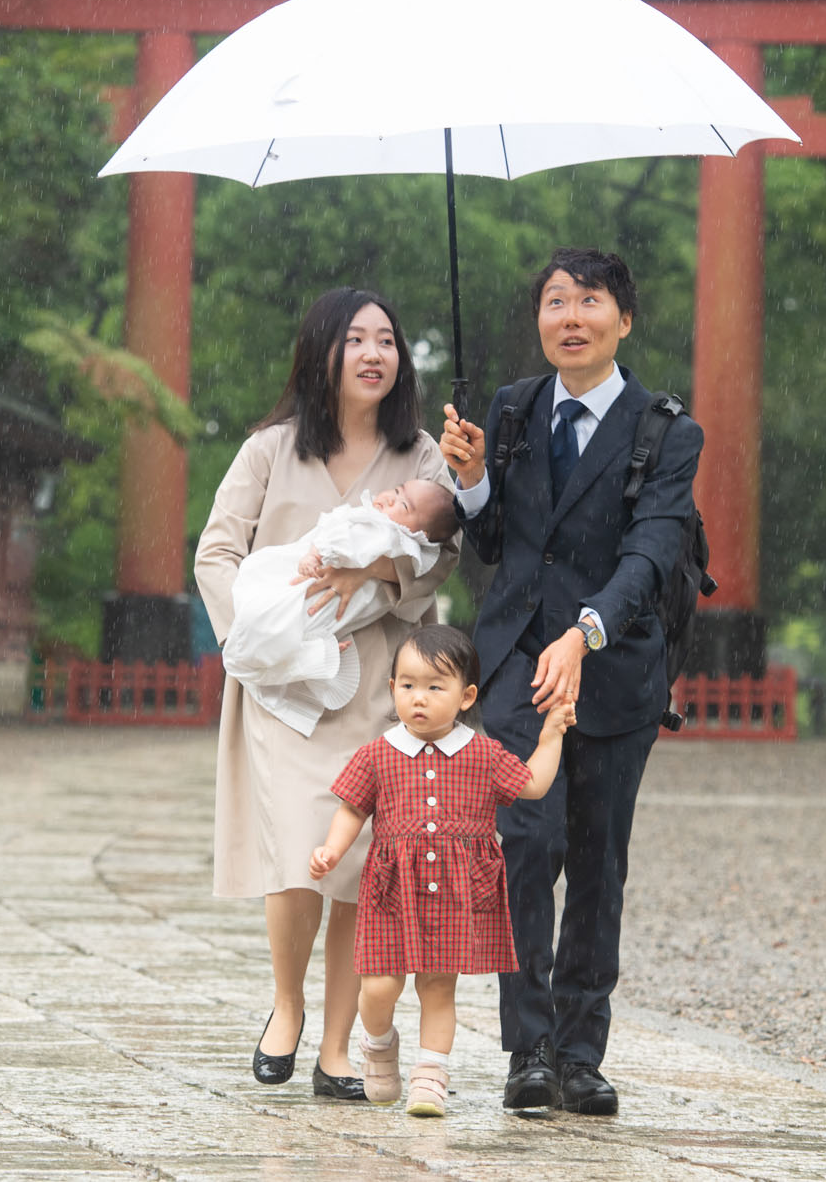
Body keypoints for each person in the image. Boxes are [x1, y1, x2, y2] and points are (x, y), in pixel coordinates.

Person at [439, 246, 702, 1116]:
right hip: (517, 664)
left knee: (596, 859)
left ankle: (582, 1051)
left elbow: (653, 548)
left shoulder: (667, 430)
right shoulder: (511, 410)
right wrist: (473, 483)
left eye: (591, 301)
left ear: (624, 320)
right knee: (528, 839)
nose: (572, 317)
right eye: (556, 301)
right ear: (540, 318)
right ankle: (529, 1047)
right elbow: (495, 543)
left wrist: (586, 632)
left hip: (616, 670)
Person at [195, 287, 459, 1100]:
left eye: (387, 339)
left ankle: (338, 1045)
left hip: (376, 678)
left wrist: (371, 569)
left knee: (359, 863)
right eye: (356, 340)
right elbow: (215, 552)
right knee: (298, 854)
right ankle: (285, 1002)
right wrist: (261, 635)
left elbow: (440, 555)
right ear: (323, 353)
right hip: (281, 689)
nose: (375, 353)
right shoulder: (269, 450)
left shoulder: (422, 457)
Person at [308, 625, 573, 1117]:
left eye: (435, 686)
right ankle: (380, 1042)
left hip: (453, 894)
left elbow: (534, 784)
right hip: (391, 891)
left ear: (466, 695)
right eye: (407, 686)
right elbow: (351, 809)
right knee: (379, 986)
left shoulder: (483, 754)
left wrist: (551, 734)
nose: (419, 699)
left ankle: (431, 1076)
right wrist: (331, 849)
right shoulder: (378, 753)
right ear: (392, 690)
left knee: (437, 985)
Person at [222, 480, 459, 736]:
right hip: (313, 585)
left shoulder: (400, 541)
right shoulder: (372, 522)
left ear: (420, 533)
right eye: (397, 490)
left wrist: (368, 567)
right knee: (285, 620)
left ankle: (305, 653)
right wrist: (318, 554)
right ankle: (299, 653)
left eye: (403, 505)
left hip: (346, 619)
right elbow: (337, 530)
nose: (391, 499)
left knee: (292, 627)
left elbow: (430, 571)